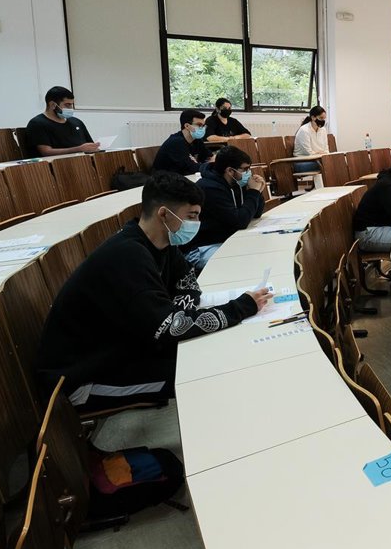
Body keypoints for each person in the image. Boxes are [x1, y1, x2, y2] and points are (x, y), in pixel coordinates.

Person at [35, 172, 271, 409]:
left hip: (127, 348)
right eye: (191, 216)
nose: (197, 223)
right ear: (163, 214)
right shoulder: (127, 256)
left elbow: (189, 286)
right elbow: (170, 327)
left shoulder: (162, 242)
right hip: (81, 379)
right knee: (198, 373)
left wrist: (175, 317)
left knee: (208, 350)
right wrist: (241, 307)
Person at [182, 146, 266, 269]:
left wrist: (257, 192)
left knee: (262, 251)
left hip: (226, 239)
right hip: (202, 247)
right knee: (242, 264)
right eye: (245, 169)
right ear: (230, 171)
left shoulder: (235, 182)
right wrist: (253, 192)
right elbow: (240, 221)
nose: (249, 173)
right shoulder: (209, 188)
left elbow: (255, 214)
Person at [25, 86, 98, 157]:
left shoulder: (77, 122)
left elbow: (90, 145)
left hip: (83, 161)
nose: (71, 108)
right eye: (67, 105)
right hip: (57, 163)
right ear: (53, 105)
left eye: (72, 105)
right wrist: (79, 149)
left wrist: (94, 147)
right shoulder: (37, 123)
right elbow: (46, 152)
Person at [152, 109, 211, 175]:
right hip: (164, 178)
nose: (202, 128)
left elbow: (209, 157)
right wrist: (212, 165)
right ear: (187, 126)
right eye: (199, 125)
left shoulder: (197, 140)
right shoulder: (176, 142)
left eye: (203, 126)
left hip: (182, 176)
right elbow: (191, 168)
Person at [293, 105, 328, 172]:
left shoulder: (323, 130)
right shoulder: (304, 130)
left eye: (324, 118)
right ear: (313, 117)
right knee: (331, 163)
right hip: (302, 162)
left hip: (317, 160)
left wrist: (321, 154)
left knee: (337, 161)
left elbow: (326, 149)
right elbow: (309, 153)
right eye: (321, 118)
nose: (323, 121)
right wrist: (321, 153)